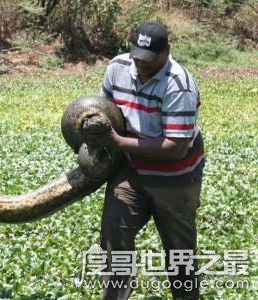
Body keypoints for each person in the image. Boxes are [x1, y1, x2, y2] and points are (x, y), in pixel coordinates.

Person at [88, 21, 205, 299]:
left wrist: (118, 142)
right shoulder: (117, 68)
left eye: (149, 60)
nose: (141, 65)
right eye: (137, 58)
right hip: (131, 170)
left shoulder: (179, 85)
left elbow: (175, 147)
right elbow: (106, 112)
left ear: (167, 51)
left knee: (179, 251)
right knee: (114, 236)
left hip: (175, 178)